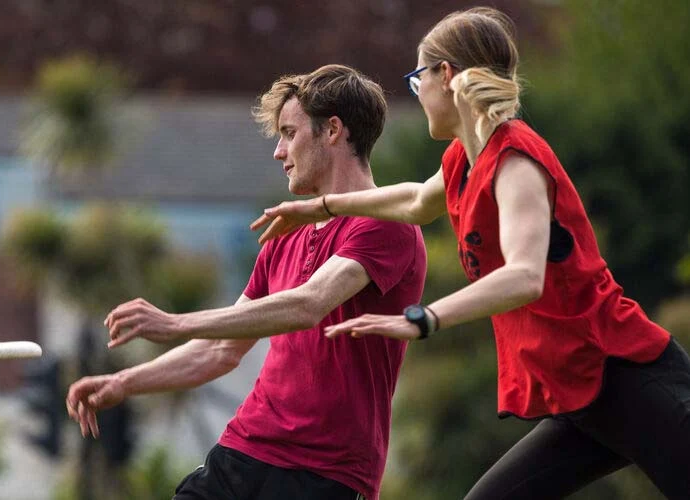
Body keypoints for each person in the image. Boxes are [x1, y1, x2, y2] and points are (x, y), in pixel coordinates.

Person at [251, 7, 690, 499]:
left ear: (446, 75)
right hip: (577, 392)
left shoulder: (516, 158)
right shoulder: (464, 157)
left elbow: (525, 276)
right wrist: (324, 207)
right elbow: (417, 202)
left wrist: (426, 317)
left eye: (418, 79)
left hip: (624, 373)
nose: (417, 93)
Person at [65, 64, 427, 500]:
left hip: (326, 473)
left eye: (289, 133)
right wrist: (123, 382)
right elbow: (220, 350)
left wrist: (176, 323)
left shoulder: (385, 224)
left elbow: (309, 304)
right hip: (244, 450)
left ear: (333, 131)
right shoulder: (286, 234)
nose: (278, 151)